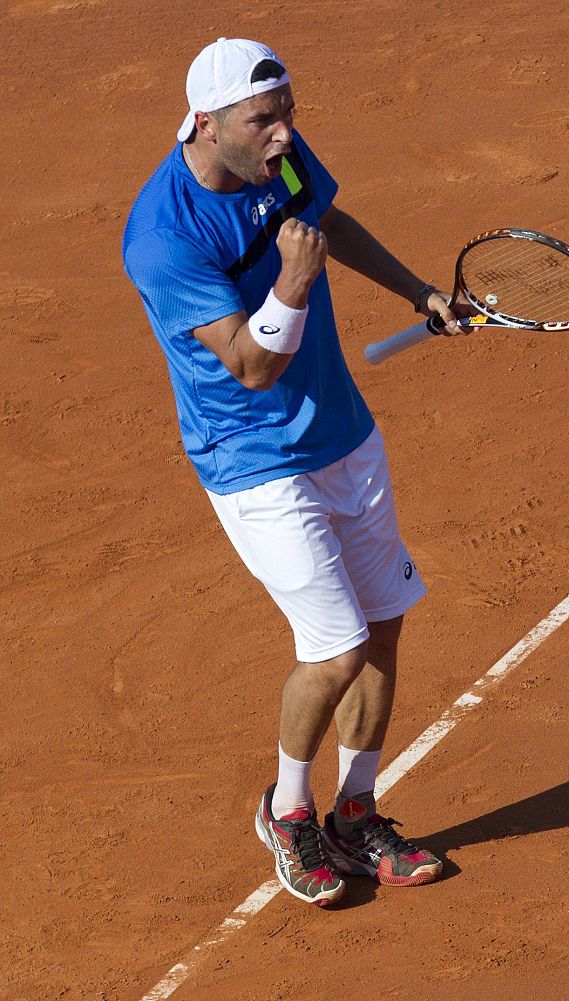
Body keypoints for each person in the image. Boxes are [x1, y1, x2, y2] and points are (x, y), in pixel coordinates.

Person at [122, 38, 465, 907]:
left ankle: (356, 813)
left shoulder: (279, 156)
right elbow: (250, 364)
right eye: (261, 121)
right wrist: (294, 283)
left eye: (287, 114)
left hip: (342, 430)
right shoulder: (162, 239)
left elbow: (328, 223)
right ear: (207, 124)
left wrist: (418, 291)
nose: (282, 135)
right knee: (337, 647)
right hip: (254, 460)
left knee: (382, 625)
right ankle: (288, 811)